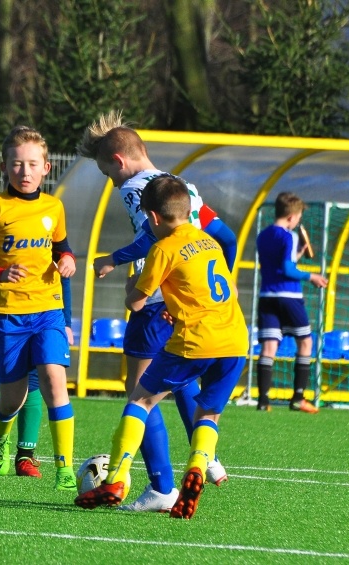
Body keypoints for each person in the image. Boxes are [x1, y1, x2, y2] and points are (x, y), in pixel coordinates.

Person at [76, 110, 237, 512]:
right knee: (180, 378)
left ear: (118, 162)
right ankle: (207, 456)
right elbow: (226, 237)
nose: (112, 183)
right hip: (198, 306)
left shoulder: (138, 189)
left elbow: (152, 240)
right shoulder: (182, 187)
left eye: (108, 174)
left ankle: (160, 486)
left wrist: (112, 259)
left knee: (141, 392)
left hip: (155, 303)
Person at [0, 125, 77, 491]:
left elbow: (62, 249)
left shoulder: (54, 207)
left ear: (46, 168)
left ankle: (65, 469)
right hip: (7, 317)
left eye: (32, 164)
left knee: (55, 382)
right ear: (4, 167)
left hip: (48, 311)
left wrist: (68, 259)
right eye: (16, 164)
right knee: (12, 398)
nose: (24, 171)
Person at [0, 271, 74, 478]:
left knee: (33, 386)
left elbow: (62, 274)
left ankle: (25, 456)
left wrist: (66, 322)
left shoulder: (50, 248)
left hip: (40, 319)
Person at [255, 192, 328, 412]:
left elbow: (277, 265)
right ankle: (298, 398)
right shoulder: (289, 236)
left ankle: (263, 401)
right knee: (305, 342)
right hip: (289, 296)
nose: (298, 222)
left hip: (267, 296)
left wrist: (296, 256)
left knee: (269, 347)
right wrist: (312, 276)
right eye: (298, 218)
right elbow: (287, 270)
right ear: (291, 217)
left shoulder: (263, 235)